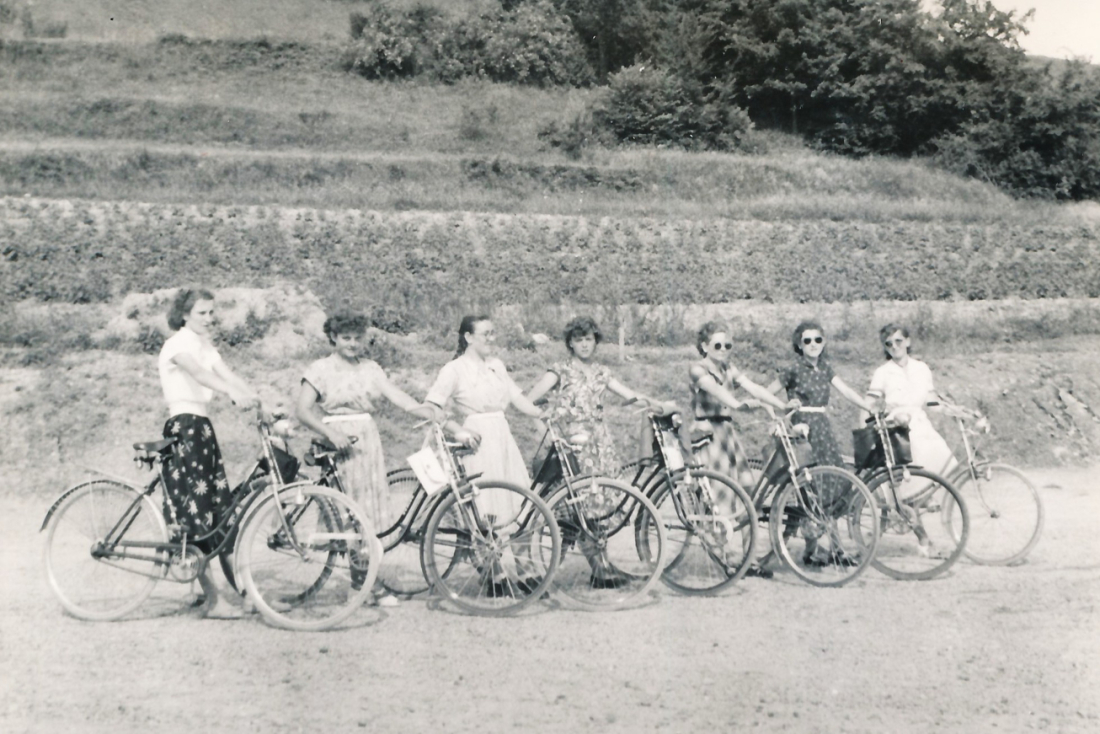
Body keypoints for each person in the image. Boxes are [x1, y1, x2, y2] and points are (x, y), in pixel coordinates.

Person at [295, 313, 438, 607]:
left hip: (367, 442)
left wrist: (425, 411)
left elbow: (396, 395)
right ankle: (361, 585)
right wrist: (329, 432)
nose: (352, 343)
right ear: (333, 337)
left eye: (358, 338)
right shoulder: (320, 369)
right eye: (346, 338)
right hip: (338, 443)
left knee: (369, 513)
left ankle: (365, 583)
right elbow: (303, 410)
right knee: (349, 514)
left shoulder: (371, 368)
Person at [158, 288, 259, 619]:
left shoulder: (205, 345)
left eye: (211, 312)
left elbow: (228, 375)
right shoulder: (177, 344)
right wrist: (232, 393)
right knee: (196, 514)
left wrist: (259, 402)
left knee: (220, 512)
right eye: (202, 313)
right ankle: (214, 600)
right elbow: (200, 375)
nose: (209, 318)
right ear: (185, 314)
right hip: (183, 429)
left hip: (201, 429)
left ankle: (249, 595)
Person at [689, 321, 798, 578]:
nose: (724, 349)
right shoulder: (697, 369)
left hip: (728, 435)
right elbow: (716, 391)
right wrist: (738, 405)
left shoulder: (728, 368)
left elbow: (755, 388)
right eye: (717, 345)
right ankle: (724, 558)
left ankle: (750, 558)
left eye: (728, 345)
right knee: (720, 498)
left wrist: (780, 405)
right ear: (704, 346)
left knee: (749, 494)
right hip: (708, 436)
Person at [766, 320, 876, 566]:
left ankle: (836, 548)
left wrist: (867, 406)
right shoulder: (793, 369)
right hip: (803, 429)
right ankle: (812, 548)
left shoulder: (825, 368)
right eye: (807, 340)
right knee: (811, 489)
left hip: (823, 430)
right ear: (799, 344)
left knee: (834, 484)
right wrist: (779, 414)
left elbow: (846, 391)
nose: (813, 345)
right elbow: (766, 394)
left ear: (824, 343)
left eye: (818, 340)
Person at [525, 316, 674, 476]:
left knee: (607, 490)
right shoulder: (560, 370)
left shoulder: (601, 372)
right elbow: (528, 401)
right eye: (579, 340)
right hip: (571, 444)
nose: (584, 344)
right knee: (577, 494)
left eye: (589, 339)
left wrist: (661, 405)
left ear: (595, 342)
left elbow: (630, 396)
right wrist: (543, 431)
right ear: (570, 343)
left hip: (600, 443)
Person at [425, 315, 547, 506]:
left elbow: (516, 398)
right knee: (484, 501)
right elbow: (432, 406)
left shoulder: (496, 365)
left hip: (502, 436)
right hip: (478, 441)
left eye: (493, 333)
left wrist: (542, 414)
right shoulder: (454, 369)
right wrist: (459, 431)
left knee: (512, 497)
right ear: (469, 337)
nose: (491, 338)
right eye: (486, 334)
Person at [866, 323, 958, 481]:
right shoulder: (883, 372)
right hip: (897, 425)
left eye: (898, 341)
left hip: (920, 422)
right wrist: (872, 421)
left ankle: (927, 499)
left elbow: (931, 401)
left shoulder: (921, 368)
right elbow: (869, 402)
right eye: (889, 344)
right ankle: (910, 501)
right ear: (885, 348)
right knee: (914, 458)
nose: (894, 347)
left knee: (940, 455)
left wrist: (954, 411)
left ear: (908, 342)